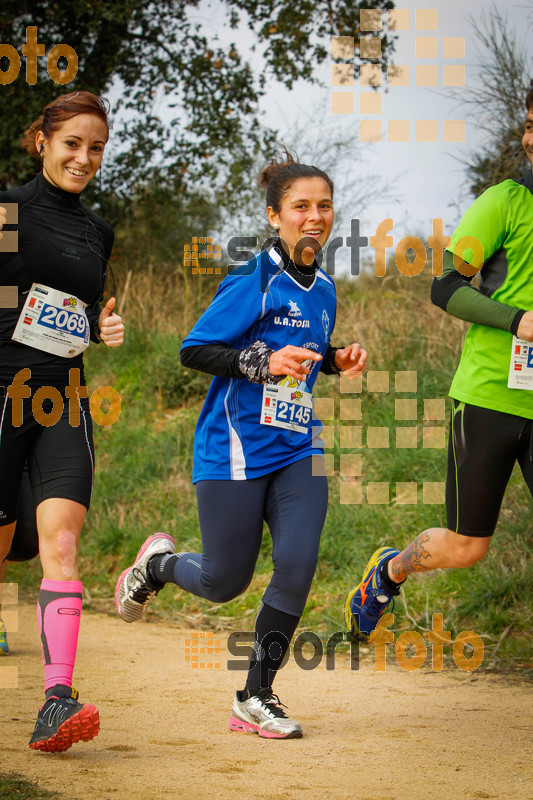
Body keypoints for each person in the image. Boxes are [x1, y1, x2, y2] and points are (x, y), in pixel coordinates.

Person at [115, 152, 367, 738]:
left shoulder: (324, 289)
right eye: (300, 207)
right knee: (225, 581)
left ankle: (256, 694)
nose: (314, 217)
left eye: (323, 206)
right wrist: (262, 361)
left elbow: (297, 358)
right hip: (234, 447)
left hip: (297, 445)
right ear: (275, 215)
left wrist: (333, 359)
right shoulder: (251, 279)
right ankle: (157, 565)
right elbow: (194, 349)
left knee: (298, 563)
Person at [345, 81, 533, 641]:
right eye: (530, 121)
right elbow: (446, 286)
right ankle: (389, 571)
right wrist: (516, 319)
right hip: (489, 399)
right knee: (467, 546)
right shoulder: (504, 202)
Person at [0, 90, 124, 752]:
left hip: (64, 402)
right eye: (72, 143)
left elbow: (82, 303)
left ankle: (54, 700)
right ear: (42, 140)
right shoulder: (7, 213)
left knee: (63, 545)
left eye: (96, 147)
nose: (84, 157)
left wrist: (100, 324)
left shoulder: (98, 231)